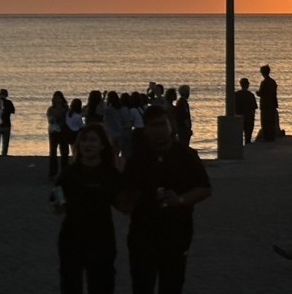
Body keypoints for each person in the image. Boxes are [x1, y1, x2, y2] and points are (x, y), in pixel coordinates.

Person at [123, 105, 211, 294]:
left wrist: (180, 200)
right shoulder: (137, 159)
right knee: (141, 286)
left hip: (176, 236)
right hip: (142, 237)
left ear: (171, 125)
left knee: (171, 287)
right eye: (153, 125)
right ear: (145, 129)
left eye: (162, 124)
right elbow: (125, 195)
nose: (159, 130)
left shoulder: (187, 156)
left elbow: (204, 188)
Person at [53, 124, 129, 294]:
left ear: (102, 145)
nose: (88, 145)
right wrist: (58, 201)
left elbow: (123, 206)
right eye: (84, 140)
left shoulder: (110, 174)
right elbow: (57, 207)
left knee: (102, 284)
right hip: (72, 237)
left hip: (101, 237)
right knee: (70, 284)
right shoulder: (68, 174)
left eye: (93, 140)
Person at [48, 91, 70, 177]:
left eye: (59, 98)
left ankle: (64, 171)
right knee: (53, 152)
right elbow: (50, 119)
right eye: (56, 98)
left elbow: (68, 119)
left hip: (64, 131)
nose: (57, 100)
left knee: (64, 152)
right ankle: (53, 172)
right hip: (54, 131)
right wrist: (54, 118)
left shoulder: (66, 108)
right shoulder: (51, 109)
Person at [258, 65, 280, 141]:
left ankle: (267, 137)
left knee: (265, 121)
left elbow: (262, 93)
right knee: (271, 121)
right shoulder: (273, 82)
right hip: (272, 104)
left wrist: (258, 93)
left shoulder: (264, 83)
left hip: (265, 105)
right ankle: (271, 136)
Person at [234, 77, 257, 145]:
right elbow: (254, 108)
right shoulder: (250, 95)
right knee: (248, 137)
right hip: (248, 117)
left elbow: (233, 106)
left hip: (239, 117)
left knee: (238, 137)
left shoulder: (236, 95)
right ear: (247, 85)